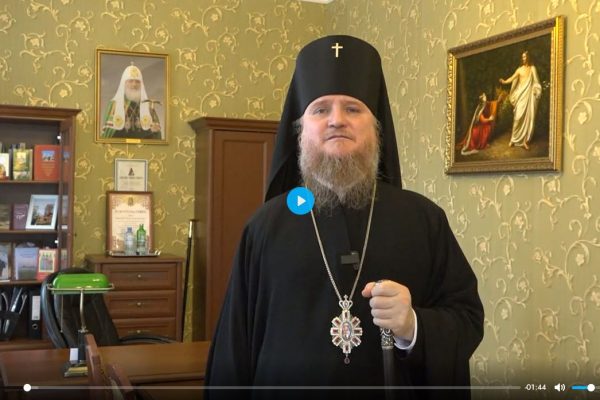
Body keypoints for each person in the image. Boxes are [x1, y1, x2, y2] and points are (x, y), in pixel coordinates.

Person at [205, 35, 484, 400]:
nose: (337, 120)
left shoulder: (423, 221)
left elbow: (467, 320)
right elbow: (233, 353)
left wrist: (412, 325)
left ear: (376, 127)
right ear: (300, 130)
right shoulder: (264, 228)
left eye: (353, 109)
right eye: (320, 110)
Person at [100, 63, 162, 139]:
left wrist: (154, 131)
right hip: (120, 145)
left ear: (141, 84)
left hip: (143, 145)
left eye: (137, 81)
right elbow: (109, 135)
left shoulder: (148, 106)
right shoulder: (114, 105)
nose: (134, 84)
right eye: (130, 81)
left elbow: (156, 135)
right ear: (124, 83)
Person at [499, 51, 542, 150]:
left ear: (528, 57)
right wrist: (504, 81)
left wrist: (535, 89)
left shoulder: (532, 68)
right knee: (517, 117)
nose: (523, 58)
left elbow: (536, 81)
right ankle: (513, 139)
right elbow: (512, 78)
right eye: (522, 57)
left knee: (528, 118)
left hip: (528, 96)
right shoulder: (519, 69)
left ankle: (525, 141)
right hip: (521, 95)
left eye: (525, 56)